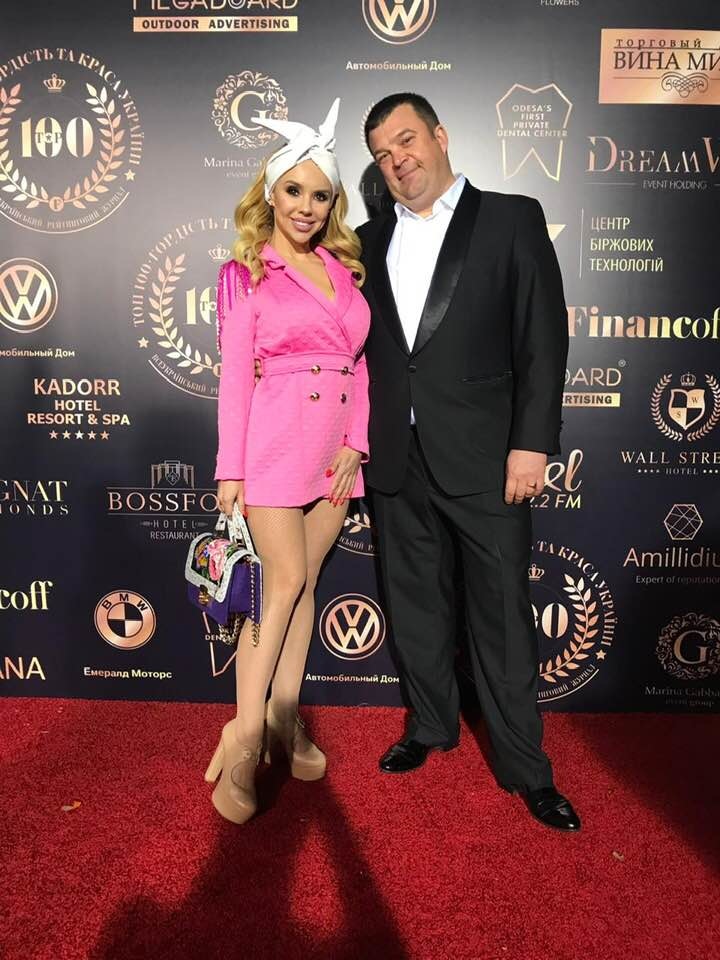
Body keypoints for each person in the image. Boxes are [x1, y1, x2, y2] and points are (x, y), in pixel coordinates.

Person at [357, 93, 580, 831]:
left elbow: (542, 338)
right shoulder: (366, 238)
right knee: (415, 605)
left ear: (441, 136)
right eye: (382, 153)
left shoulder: (512, 218)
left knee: (502, 619)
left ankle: (527, 769)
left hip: (488, 458)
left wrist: (532, 442)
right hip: (397, 457)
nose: (397, 160)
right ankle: (430, 726)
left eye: (407, 140)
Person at [206, 99, 370, 825]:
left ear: (334, 203)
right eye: (294, 190)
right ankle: (244, 738)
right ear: (271, 193)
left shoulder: (342, 269)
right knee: (283, 585)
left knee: (305, 588)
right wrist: (230, 469)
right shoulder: (245, 272)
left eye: (321, 194)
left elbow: (359, 365)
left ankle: (282, 717)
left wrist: (357, 441)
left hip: (335, 454)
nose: (307, 206)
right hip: (273, 444)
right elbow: (234, 379)